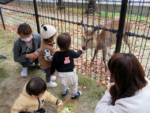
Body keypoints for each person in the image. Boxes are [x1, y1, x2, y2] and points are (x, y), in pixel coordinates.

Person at [51, 32, 84, 99]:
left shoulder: (56, 54)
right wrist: (80, 51)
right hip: (70, 75)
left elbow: (53, 65)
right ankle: (73, 95)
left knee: (62, 84)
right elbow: (77, 55)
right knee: (74, 84)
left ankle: (63, 92)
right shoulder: (71, 52)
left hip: (60, 75)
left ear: (58, 45)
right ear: (69, 45)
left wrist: (52, 72)